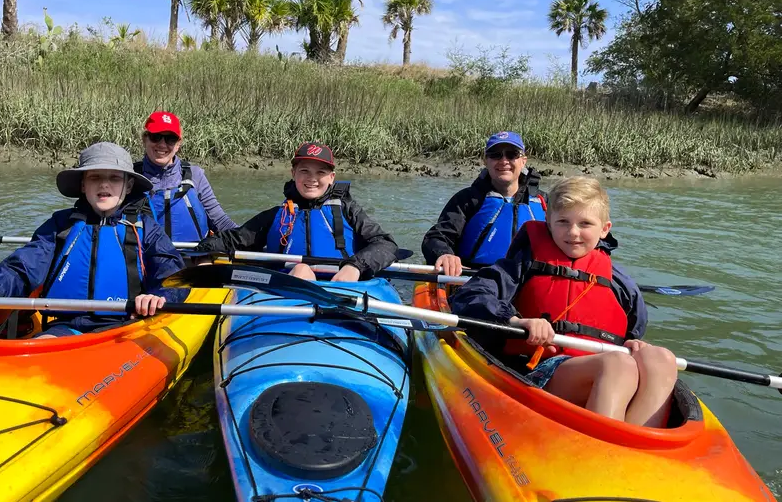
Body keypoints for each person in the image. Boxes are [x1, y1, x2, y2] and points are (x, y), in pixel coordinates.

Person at [450, 177, 677, 427]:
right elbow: (471, 295)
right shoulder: (521, 265)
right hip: (538, 370)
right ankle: (603, 448)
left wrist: (634, 343)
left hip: (604, 368)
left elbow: (634, 329)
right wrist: (516, 320)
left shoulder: (618, 281)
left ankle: (637, 445)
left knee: (661, 359)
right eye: (563, 222)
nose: (573, 233)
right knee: (618, 365)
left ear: (604, 228)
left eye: (585, 223)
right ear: (549, 224)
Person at [0, 142, 187, 338]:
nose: (104, 184)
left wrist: (159, 296)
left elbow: (171, 273)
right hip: (65, 328)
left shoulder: (146, 228)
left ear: (128, 185)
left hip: (127, 328)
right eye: (95, 178)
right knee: (42, 345)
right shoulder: (61, 225)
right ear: (83, 185)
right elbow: (27, 262)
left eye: (114, 178)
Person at [194, 142, 398, 282]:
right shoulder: (276, 215)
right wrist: (203, 254)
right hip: (289, 289)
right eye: (304, 171)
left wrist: (355, 266)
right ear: (293, 174)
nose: (312, 179)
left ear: (332, 177)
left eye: (321, 172)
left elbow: (386, 244)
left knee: (303, 270)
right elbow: (232, 240)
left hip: (340, 287)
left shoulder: (348, 210)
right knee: (301, 270)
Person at [422, 131, 546, 276]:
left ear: (523, 161)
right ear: (485, 161)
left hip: (530, 280)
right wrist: (444, 254)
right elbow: (437, 237)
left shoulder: (545, 202)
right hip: (476, 280)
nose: (504, 160)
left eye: (511, 154)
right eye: (495, 154)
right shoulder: (467, 200)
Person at [134, 110, 237, 243]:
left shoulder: (195, 175)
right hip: (145, 260)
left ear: (178, 144)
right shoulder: (130, 176)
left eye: (170, 139)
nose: (162, 144)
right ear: (144, 139)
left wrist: (247, 238)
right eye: (156, 136)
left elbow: (220, 221)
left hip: (193, 258)